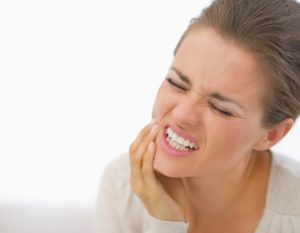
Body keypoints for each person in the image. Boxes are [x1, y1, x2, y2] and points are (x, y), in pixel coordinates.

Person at [97, 0, 300, 232]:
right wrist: (166, 223)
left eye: (220, 108)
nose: (182, 114)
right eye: (176, 83)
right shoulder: (123, 186)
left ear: (272, 134)